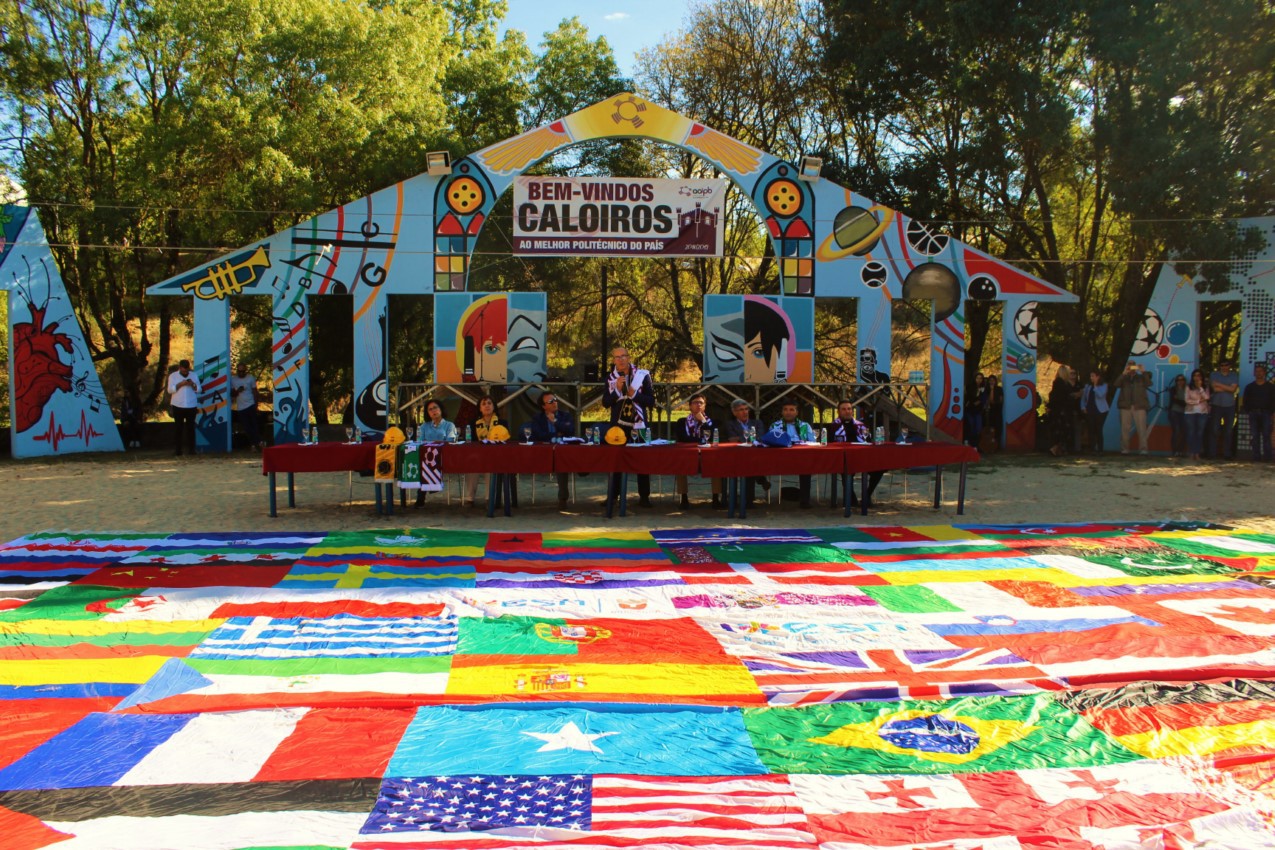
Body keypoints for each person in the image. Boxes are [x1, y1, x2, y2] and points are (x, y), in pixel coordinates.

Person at [603, 346, 655, 509]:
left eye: (623, 356)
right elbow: (606, 403)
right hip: (618, 426)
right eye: (617, 357)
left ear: (629, 357)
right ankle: (613, 496)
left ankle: (644, 497)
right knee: (615, 462)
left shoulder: (642, 375)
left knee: (643, 461)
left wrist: (635, 395)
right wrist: (617, 390)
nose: (621, 360)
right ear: (613, 360)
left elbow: (651, 401)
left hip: (638, 423)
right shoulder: (610, 378)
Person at [829, 400, 882, 508]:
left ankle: (866, 496)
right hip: (842, 458)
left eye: (849, 409)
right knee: (846, 468)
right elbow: (828, 444)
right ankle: (851, 499)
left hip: (862, 456)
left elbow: (869, 442)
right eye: (843, 409)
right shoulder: (833, 427)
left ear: (852, 411)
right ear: (839, 411)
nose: (847, 411)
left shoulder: (861, 426)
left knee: (880, 468)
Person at [529, 391, 575, 509]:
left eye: (555, 399)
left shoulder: (566, 416)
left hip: (561, 452)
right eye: (550, 401)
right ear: (544, 406)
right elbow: (538, 435)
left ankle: (562, 498)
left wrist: (555, 422)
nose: (555, 402)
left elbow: (570, 431)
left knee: (561, 460)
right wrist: (557, 433)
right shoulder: (537, 418)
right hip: (543, 453)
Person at [719, 397, 767, 508]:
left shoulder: (757, 422)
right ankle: (760, 478)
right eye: (741, 410)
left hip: (754, 456)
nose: (745, 412)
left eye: (746, 409)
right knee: (746, 466)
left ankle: (749, 501)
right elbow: (731, 438)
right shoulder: (730, 424)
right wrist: (750, 438)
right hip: (735, 456)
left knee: (750, 465)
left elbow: (761, 437)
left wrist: (740, 438)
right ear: (734, 412)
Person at [769, 401, 815, 508]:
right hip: (780, 459)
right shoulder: (775, 426)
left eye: (791, 410)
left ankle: (805, 501)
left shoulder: (805, 426)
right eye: (785, 409)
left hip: (801, 458)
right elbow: (770, 443)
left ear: (796, 412)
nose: (788, 412)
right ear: (782, 412)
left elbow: (812, 443)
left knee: (806, 467)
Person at [464, 394, 506, 508]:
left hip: (495, 456)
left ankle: (490, 498)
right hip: (477, 456)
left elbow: (506, 441)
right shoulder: (472, 424)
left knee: (491, 468)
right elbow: (469, 442)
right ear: (479, 408)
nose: (487, 406)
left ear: (494, 406)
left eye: (489, 403)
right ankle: (470, 499)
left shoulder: (502, 422)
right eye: (483, 404)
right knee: (472, 467)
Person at [672, 394, 713, 509]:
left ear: (704, 406)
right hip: (688, 455)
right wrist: (700, 440)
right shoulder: (682, 422)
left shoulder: (710, 422)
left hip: (706, 455)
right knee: (680, 464)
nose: (698, 405)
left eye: (701, 403)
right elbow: (682, 438)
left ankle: (716, 498)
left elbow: (711, 437)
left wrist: (703, 422)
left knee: (717, 462)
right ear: (690, 406)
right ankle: (684, 498)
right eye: (695, 402)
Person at [415, 400, 457, 507]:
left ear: (441, 409)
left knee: (427, 462)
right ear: (427, 413)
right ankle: (420, 497)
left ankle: (421, 496)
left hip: (443, 457)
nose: (433, 411)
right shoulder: (424, 426)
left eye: (435, 407)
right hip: (427, 457)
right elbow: (420, 442)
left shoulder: (449, 425)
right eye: (430, 409)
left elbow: (450, 441)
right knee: (422, 462)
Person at [1113, 360, 1152, 454]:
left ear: (1136, 367)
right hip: (1125, 406)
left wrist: (1143, 371)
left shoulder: (1141, 377)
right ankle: (1124, 449)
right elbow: (1116, 384)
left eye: (1133, 366)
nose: (1131, 368)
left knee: (1141, 428)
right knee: (1125, 429)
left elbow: (1149, 383)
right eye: (1129, 366)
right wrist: (1123, 374)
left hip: (1139, 406)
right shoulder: (1124, 378)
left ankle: (1143, 449)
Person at [166, 359, 201, 456]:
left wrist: (192, 384)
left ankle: (192, 450)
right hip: (178, 404)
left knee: (191, 428)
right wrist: (180, 384)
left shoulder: (193, 375)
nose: (186, 372)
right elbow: (170, 390)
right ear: (180, 368)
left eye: (187, 370)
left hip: (191, 405)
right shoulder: (173, 376)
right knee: (178, 428)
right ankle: (178, 450)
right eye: (184, 370)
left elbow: (199, 389)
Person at [1242, 363, 1273, 462]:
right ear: (1254, 373)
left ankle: (1267, 458)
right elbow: (1245, 400)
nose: (1259, 373)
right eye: (1257, 371)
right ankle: (1256, 457)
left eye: (1261, 371)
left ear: (1264, 373)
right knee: (1255, 436)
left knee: (1266, 436)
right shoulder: (1250, 387)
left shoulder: (1271, 387)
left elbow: (1273, 400)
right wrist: (1249, 411)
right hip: (1253, 413)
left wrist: (1271, 412)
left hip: (1266, 414)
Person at [1208, 359, 1239, 460]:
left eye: (1226, 365)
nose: (1224, 367)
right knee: (1214, 430)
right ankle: (1212, 453)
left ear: (1229, 366)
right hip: (1216, 405)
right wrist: (1228, 388)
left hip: (1230, 406)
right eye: (1222, 365)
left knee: (1228, 431)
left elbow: (1233, 390)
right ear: (1220, 366)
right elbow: (1214, 389)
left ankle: (1227, 454)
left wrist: (1220, 385)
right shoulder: (1214, 374)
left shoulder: (1234, 375)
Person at [229, 362, 263, 450]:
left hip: (251, 404)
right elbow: (232, 394)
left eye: (243, 371)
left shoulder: (250, 378)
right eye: (239, 371)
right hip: (241, 407)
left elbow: (255, 391)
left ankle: (258, 442)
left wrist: (256, 405)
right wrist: (238, 391)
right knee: (246, 427)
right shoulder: (233, 380)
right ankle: (253, 443)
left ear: (245, 371)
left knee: (254, 425)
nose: (241, 373)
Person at [1047, 366, 1078, 456]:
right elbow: (1059, 397)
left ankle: (1058, 449)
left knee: (1061, 431)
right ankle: (1055, 448)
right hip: (1060, 411)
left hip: (1060, 410)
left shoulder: (1061, 383)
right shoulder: (1060, 383)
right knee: (1061, 431)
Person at [1184, 369, 1210, 461]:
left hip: (1202, 412)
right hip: (1190, 412)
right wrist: (1198, 401)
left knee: (1199, 433)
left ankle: (1197, 453)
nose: (1197, 377)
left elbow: (1207, 397)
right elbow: (1187, 400)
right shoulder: (1188, 387)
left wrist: (1200, 388)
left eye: (1199, 375)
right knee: (1191, 432)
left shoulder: (1205, 387)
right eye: (1195, 375)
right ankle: (1191, 452)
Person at [1080, 371, 1109, 453]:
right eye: (1090, 376)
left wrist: (1096, 386)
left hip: (1100, 411)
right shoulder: (1088, 386)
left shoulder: (1104, 385)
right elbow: (1083, 398)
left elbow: (1101, 395)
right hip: (1090, 410)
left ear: (1098, 377)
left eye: (1093, 376)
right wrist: (1083, 407)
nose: (1091, 378)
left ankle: (1100, 449)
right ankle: (1092, 449)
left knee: (1099, 429)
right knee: (1091, 429)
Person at [1167, 374, 1188, 458]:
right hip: (1174, 412)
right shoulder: (1173, 389)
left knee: (1184, 432)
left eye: (1182, 380)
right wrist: (1183, 402)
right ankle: (1174, 451)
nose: (1180, 382)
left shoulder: (1188, 389)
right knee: (1176, 431)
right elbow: (1174, 400)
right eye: (1178, 380)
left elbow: (1187, 401)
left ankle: (1181, 450)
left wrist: (1181, 401)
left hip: (1185, 413)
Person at [965, 373, 987, 447]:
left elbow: (984, 399)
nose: (979, 380)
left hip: (978, 411)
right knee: (970, 426)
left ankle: (976, 445)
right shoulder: (970, 387)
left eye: (981, 378)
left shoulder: (984, 388)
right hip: (970, 410)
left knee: (978, 428)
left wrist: (980, 399)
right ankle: (969, 443)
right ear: (975, 379)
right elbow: (970, 398)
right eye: (977, 378)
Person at [985, 374, 1004, 450]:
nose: (991, 382)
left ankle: (997, 445)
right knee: (990, 427)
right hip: (989, 410)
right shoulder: (986, 389)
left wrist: (993, 390)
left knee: (998, 427)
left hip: (997, 410)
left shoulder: (999, 389)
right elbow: (987, 400)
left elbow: (1000, 400)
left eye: (993, 380)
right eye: (990, 380)